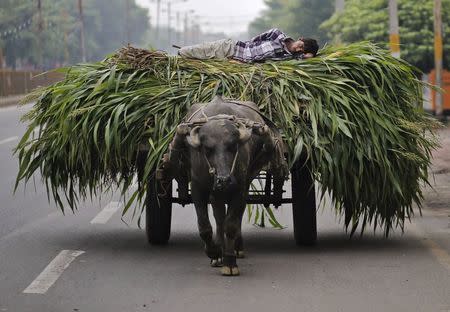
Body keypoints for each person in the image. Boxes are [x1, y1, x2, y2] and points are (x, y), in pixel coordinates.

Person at [177, 28, 319, 63]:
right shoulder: (277, 34)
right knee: (193, 52)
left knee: (200, 63)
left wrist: (309, 54)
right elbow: (254, 40)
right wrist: (241, 56)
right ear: (300, 39)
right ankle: (174, 58)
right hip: (232, 48)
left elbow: (308, 57)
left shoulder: (289, 58)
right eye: (301, 45)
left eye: (302, 50)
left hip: (233, 63)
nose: (298, 49)